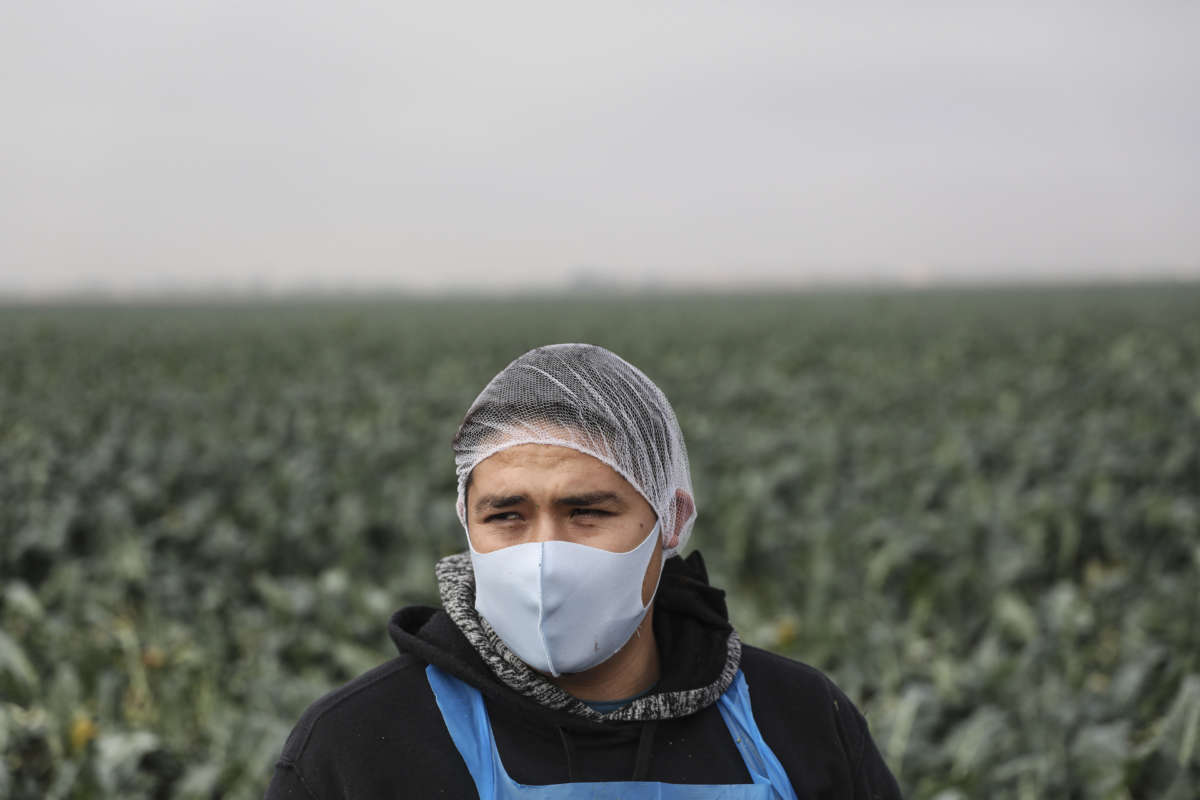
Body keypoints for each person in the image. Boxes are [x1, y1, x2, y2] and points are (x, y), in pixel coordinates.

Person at [265, 343, 901, 799]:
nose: (545, 554)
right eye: (507, 516)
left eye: (586, 511)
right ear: (467, 524)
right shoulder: (359, 745)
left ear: (671, 521)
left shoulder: (799, 719)